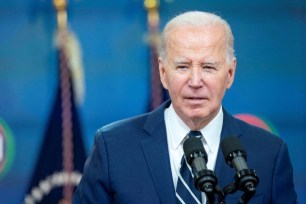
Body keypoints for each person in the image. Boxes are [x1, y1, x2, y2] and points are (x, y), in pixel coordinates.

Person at [73, 11, 297, 204]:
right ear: (162, 72)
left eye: (208, 67)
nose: (195, 81)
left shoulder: (269, 154)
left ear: (230, 74)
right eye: (182, 66)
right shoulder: (113, 147)